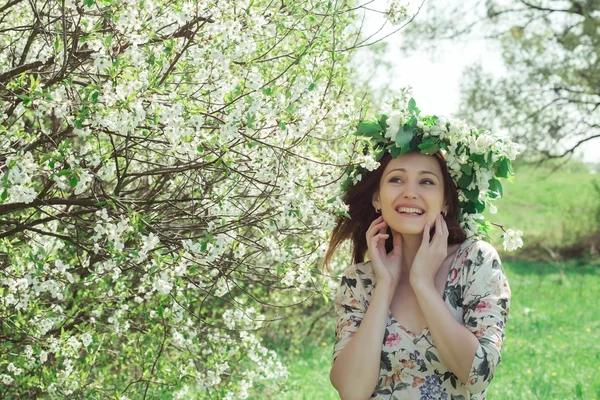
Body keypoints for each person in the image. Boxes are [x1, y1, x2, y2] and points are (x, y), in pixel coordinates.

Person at [324, 101, 517, 400]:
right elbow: (351, 391)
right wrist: (385, 286)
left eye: (426, 181)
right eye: (396, 179)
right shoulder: (358, 281)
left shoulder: (475, 262)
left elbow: (477, 377)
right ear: (377, 198)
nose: (410, 192)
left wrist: (423, 284)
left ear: (446, 202)